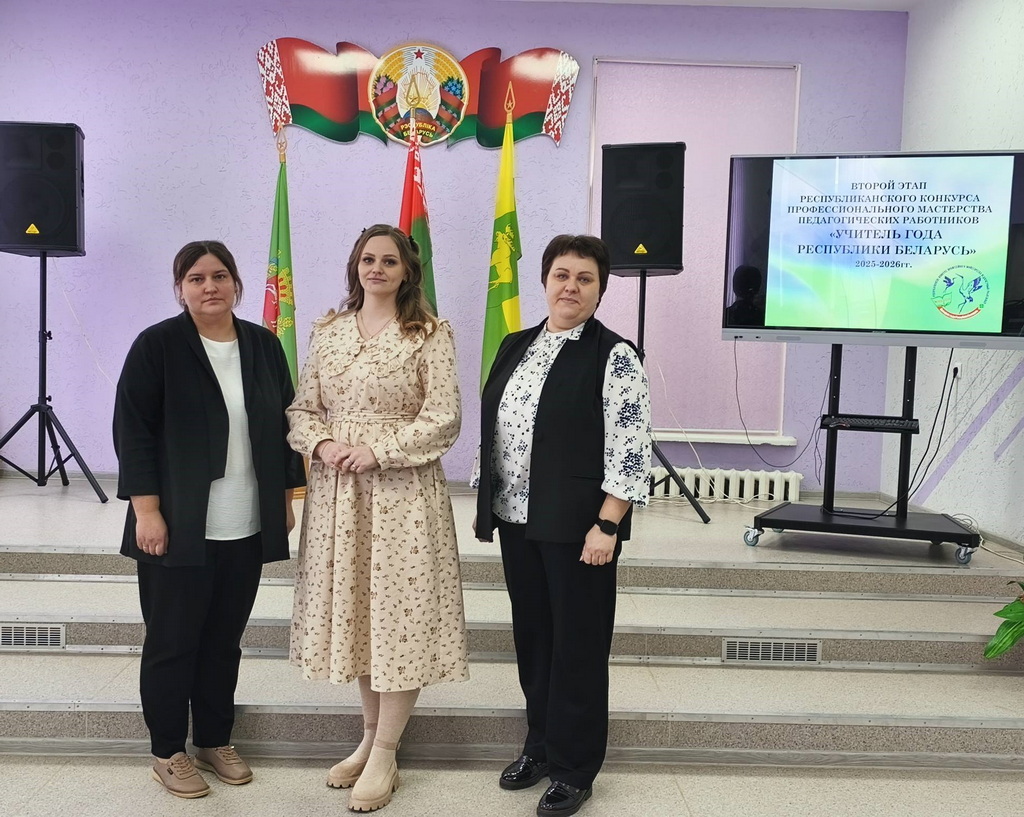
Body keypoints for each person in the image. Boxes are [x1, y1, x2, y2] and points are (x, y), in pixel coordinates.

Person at [113, 240, 306, 798]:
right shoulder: (158, 345)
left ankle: (215, 739)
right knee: (173, 642)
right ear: (180, 289)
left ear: (236, 284)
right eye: (196, 278)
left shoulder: (263, 345)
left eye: (219, 276)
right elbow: (133, 430)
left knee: (224, 640)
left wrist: (284, 500)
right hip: (178, 523)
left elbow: (285, 425)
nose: (209, 287)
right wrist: (147, 510)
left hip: (244, 522)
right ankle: (168, 751)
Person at [287, 224, 468, 812]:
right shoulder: (329, 331)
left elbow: (444, 417)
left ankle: (387, 752)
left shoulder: (430, 333)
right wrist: (321, 444)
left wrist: (379, 450)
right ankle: (368, 739)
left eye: (389, 261)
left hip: (402, 495)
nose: (377, 269)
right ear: (355, 266)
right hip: (339, 495)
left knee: (400, 616)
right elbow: (303, 409)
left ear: (407, 270)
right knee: (363, 613)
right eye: (368, 259)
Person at [474, 234, 652, 817]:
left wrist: (608, 524)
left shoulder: (615, 355)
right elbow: (498, 425)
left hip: (580, 528)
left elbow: (630, 448)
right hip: (517, 519)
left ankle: (575, 768)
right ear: (545, 281)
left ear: (600, 290)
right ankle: (541, 746)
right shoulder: (516, 344)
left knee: (577, 646)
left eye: (585, 278)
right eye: (561, 275)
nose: (571, 287)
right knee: (534, 640)